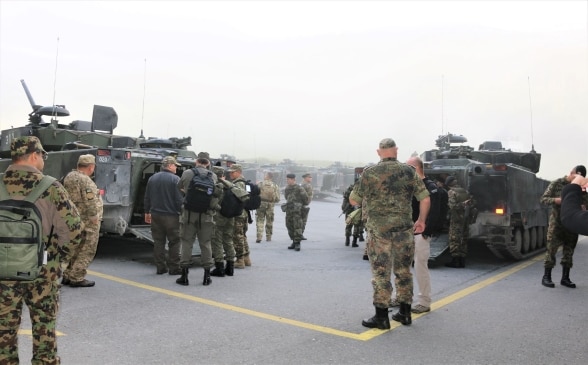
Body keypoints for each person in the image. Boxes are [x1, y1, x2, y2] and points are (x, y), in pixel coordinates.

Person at [0, 136, 82, 364]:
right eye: (42, 156)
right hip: (43, 275)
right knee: (44, 333)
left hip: (2, 275)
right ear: (34, 155)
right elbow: (74, 232)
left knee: (2, 334)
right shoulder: (51, 187)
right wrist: (59, 260)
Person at [349, 138, 430, 328]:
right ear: (396, 151)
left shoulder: (370, 173)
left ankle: (382, 317)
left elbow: (353, 200)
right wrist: (421, 221)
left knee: (381, 273)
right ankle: (405, 314)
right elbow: (425, 199)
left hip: (380, 232)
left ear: (379, 152)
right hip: (404, 229)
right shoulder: (409, 171)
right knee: (403, 271)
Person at [405, 156, 444, 313]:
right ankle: (402, 297)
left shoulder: (430, 187)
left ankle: (424, 301)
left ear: (415, 168)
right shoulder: (411, 186)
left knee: (420, 266)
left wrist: (426, 232)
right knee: (402, 267)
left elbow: (435, 212)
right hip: (406, 232)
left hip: (420, 233)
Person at [540, 165, 587, 288]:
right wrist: (556, 200)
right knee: (551, 250)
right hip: (557, 223)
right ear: (571, 173)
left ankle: (565, 278)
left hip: (572, 225)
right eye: (576, 176)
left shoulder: (580, 188)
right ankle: (547, 277)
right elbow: (544, 199)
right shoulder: (557, 183)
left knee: (569, 252)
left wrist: (584, 208)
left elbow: (586, 202)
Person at [176, 156, 219, 286]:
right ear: (208, 164)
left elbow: (180, 187)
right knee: (205, 244)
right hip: (206, 215)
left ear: (197, 162)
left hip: (189, 214)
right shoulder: (213, 176)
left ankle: (184, 276)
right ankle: (206, 276)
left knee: (186, 242)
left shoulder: (188, 173)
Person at [62, 154, 104, 287]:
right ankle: (77, 277)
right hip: (88, 221)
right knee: (87, 249)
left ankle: (68, 275)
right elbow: (90, 201)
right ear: (91, 167)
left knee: (76, 248)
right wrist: (94, 218)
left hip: (74, 218)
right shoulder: (86, 181)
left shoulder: (70, 176)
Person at [144, 156, 183, 275]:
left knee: (158, 241)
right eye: (175, 165)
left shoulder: (152, 178)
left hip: (156, 215)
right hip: (171, 216)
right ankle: (174, 267)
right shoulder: (176, 179)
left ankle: (160, 267)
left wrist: (147, 212)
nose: (176, 167)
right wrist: (182, 212)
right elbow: (179, 200)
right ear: (170, 165)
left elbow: (147, 197)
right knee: (174, 241)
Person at [210, 166, 237, 277]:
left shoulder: (217, 186)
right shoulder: (231, 184)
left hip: (219, 217)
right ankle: (230, 267)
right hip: (230, 217)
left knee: (217, 241)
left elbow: (212, 204)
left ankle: (219, 267)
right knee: (228, 240)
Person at [228, 164, 252, 269]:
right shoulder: (245, 183)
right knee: (243, 236)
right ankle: (247, 259)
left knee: (237, 237)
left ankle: (240, 260)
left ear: (238, 172)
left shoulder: (238, 184)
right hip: (244, 213)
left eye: (232, 172)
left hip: (238, 214)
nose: (230, 174)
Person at [444, 176, 471, 268]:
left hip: (456, 219)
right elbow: (472, 203)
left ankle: (455, 261)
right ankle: (462, 260)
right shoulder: (465, 191)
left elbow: (453, 206)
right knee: (463, 238)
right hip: (465, 218)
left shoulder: (452, 192)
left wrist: (462, 204)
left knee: (454, 239)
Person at [284, 174, 309, 251]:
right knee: (289, 226)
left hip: (297, 211)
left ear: (293, 180)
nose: (287, 181)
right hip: (289, 210)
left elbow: (306, 199)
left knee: (297, 226)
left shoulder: (299, 188)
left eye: (288, 179)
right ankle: (294, 241)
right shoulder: (287, 188)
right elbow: (286, 197)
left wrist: (299, 205)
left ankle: (297, 243)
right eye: (287, 179)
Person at [256, 172, 280, 243]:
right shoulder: (275, 185)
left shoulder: (260, 184)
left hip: (261, 204)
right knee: (269, 221)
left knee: (260, 220)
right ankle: (268, 237)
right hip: (270, 205)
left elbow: (256, 193)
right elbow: (277, 198)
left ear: (266, 176)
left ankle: (259, 236)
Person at [342, 180, 364, 247]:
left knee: (348, 224)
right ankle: (354, 242)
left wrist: (345, 207)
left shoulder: (351, 187)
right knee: (356, 225)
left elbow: (345, 197)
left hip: (349, 208)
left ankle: (347, 240)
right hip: (358, 209)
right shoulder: (361, 188)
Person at [300, 173, 313, 240]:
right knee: (303, 220)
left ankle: (299, 234)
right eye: (309, 177)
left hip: (303, 204)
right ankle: (300, 234)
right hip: (303, 205)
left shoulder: (304, 184)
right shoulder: (305, 185)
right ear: (305, 178)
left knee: (301, 220)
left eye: (311, 177)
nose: (311, 178)